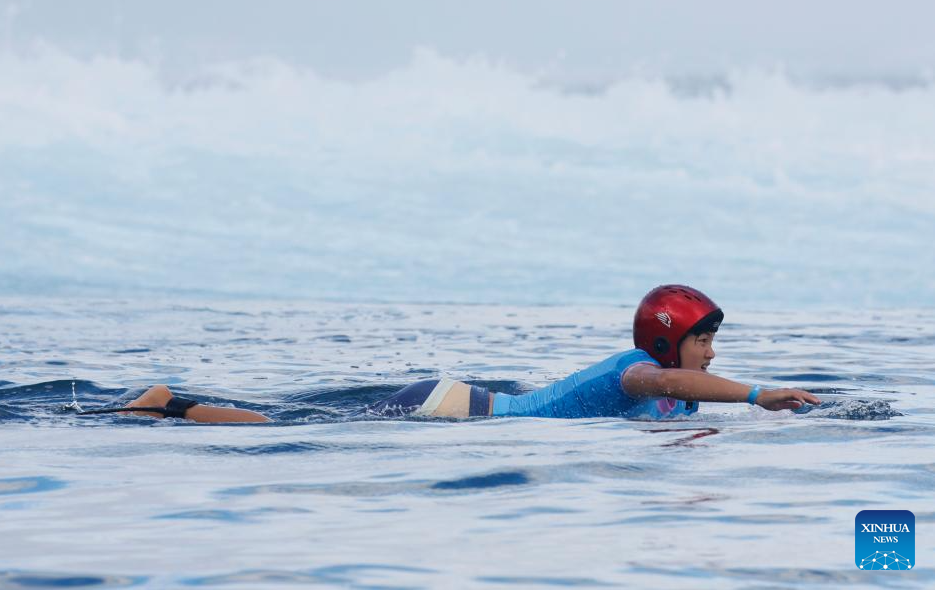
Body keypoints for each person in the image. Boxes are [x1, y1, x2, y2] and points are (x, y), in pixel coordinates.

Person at [119, 284, 820, 423]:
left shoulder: (665, 389)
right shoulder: (638, 374)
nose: (711, 349)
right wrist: (761, 395)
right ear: (671, 342)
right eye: (703, 338)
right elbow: (668, 381)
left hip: (460, 405)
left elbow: (685, 401)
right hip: (456, 409)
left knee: (291, 420)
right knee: (281, 428)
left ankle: (171, 404)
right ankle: (169, 403)